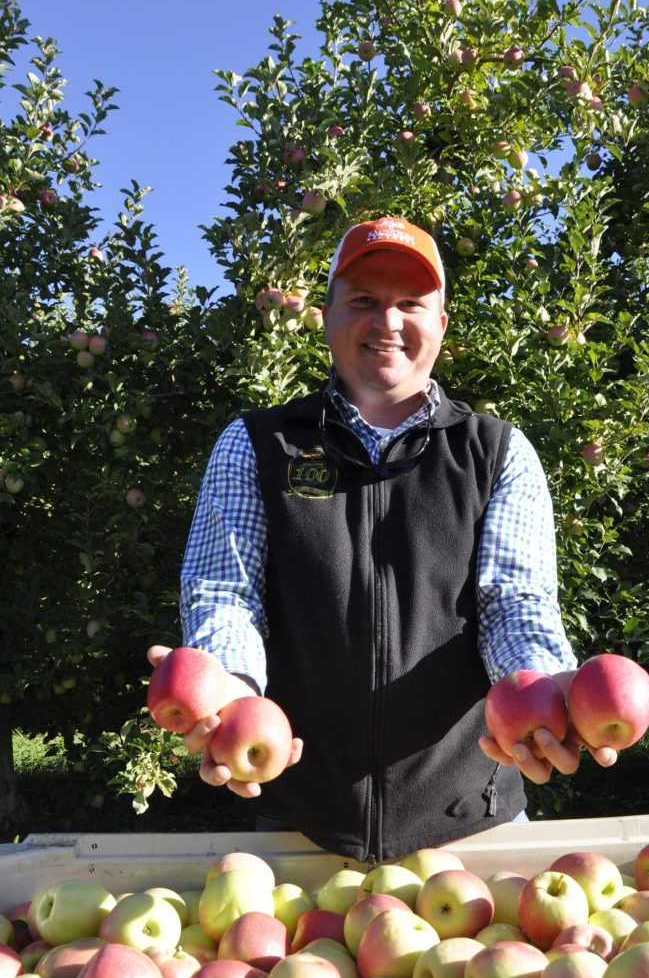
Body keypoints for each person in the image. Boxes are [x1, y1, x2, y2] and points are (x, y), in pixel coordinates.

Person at [148, 216, 616, 864]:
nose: (387, 321)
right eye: (364, 300)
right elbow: (226, 591)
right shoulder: (256, 445)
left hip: (469, 824)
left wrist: (540, 692)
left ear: (441, 326)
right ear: (326, 316)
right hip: (296, 817)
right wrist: (225, 689)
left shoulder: (495, 452)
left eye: (410, 304)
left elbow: (514, 600)